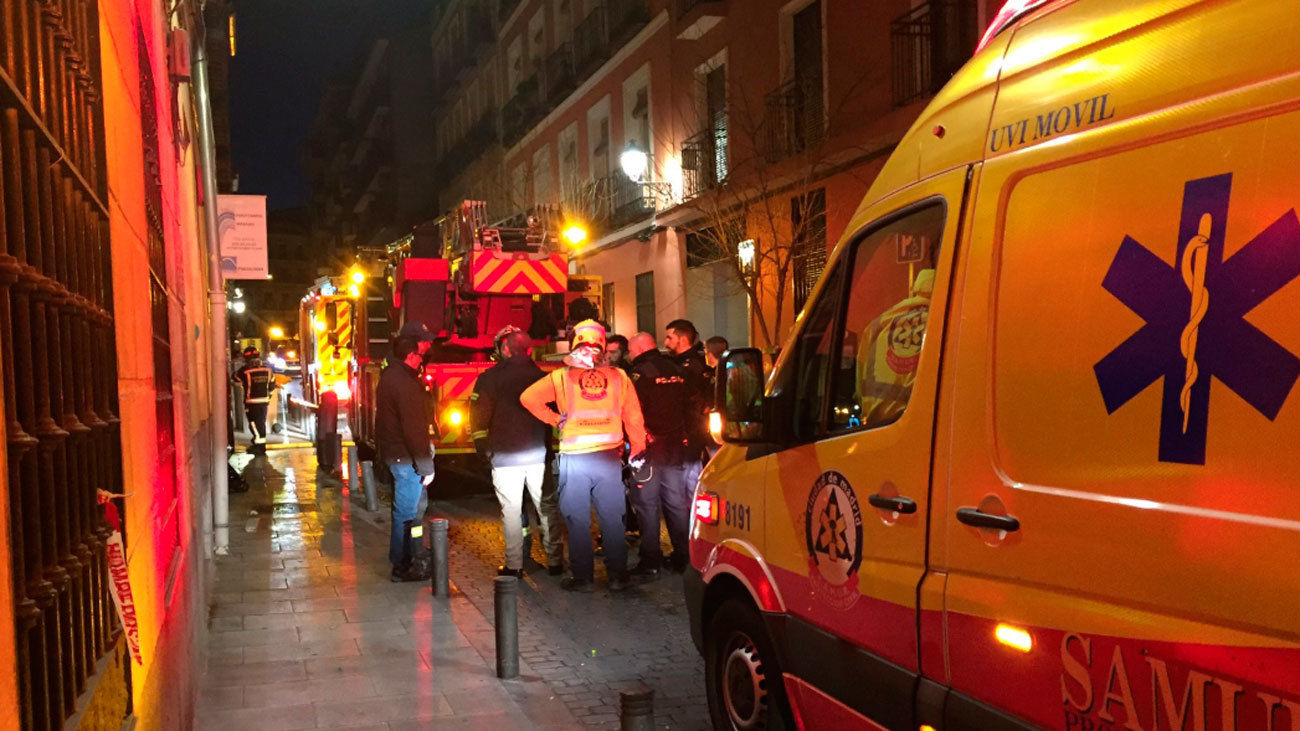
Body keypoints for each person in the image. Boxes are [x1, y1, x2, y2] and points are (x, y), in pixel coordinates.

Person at [520, 319, 647, 592]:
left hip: (576, 459)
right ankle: (617, 576)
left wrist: (555, 419)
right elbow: (634, 418)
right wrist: (637, 450)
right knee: (612, 518)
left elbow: (528, 398)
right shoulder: (619, 377)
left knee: (577, 519)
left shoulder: (561, 377)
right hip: (608, 459)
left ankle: (583, 578)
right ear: (603, 345)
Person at [471, 326, 564, 578]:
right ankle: (555, 561)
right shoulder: (543, 378)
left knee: (511, 512)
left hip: (504, 457)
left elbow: (478, 419)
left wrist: (483, 450)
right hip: (538, 454)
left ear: (504, 349)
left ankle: (514, 565)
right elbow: (555, 416)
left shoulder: (489, 378)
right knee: (546, 508)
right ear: (529, 351)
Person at [625, 332, 695, 579]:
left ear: (639, 348)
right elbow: (689, 406)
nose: (629, 355)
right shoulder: (677, 369)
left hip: (649, 449)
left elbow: (632, 412)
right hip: (675, 448)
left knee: (647, 505)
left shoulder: (640, 374)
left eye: (630, 350)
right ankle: (684, 557)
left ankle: (651, 561)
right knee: (676, 503)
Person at [376, 323, 437, 582]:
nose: (423, 357)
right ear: (410, 354)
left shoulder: (392, 375)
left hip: (398, 455)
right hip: (407, 459)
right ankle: (401, 565)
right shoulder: (404, 383)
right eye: (420, 355)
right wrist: (426, 466)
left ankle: (413, 554)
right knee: (406, 513)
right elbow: (414, 429)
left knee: (411, 511)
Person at [664, 319, 711, 495]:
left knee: (687, 479)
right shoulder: (684, 363)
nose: (666, 343)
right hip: (687, 431)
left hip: (690, 430)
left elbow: (693, 400)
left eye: (669, 338)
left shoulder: (691, 367)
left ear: (682, 339)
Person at [233, 347, 273, 455]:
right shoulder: (268, 370)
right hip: (264, 401)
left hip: (251, 402)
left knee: (254, 423)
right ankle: (258, 443)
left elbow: (235, 377)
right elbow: (272, 385)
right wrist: (268, 396)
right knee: (261, 423)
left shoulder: (245, 371)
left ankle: (259, 446)